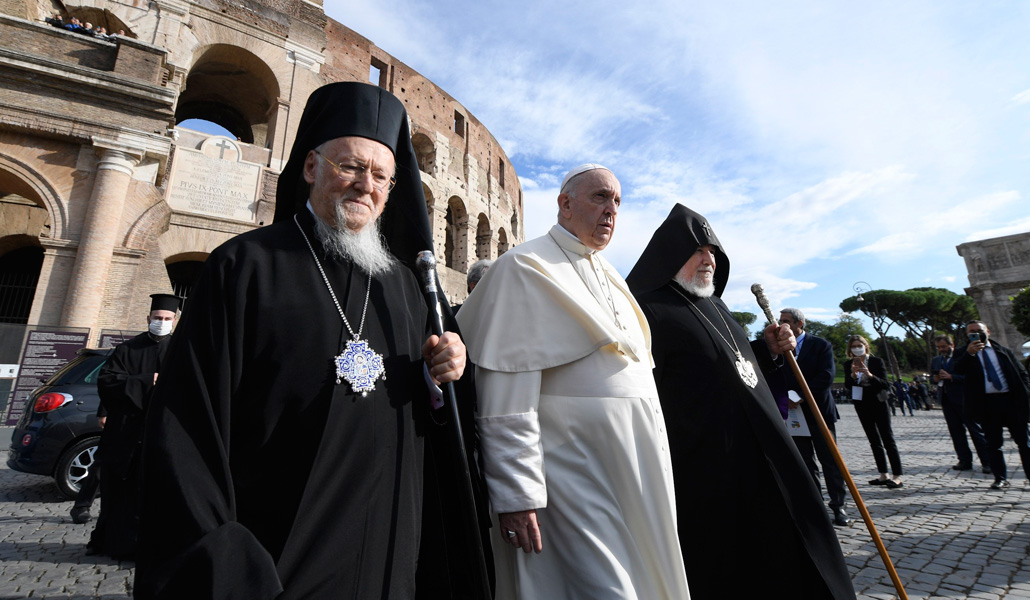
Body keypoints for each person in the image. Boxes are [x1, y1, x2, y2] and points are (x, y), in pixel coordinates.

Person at [135, 82, 489, 600]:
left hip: (387, 547)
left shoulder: (406, 288)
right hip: (276, 554)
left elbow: (427, 421)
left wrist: (443, 378)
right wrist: (227, 565)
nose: (365, 186)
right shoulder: (243, 267)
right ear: (310, 168)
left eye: (381, 176)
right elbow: (189, 428)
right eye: (350, 167)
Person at [457, 165, 690, 599]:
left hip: (636, 467)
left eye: (617, 202)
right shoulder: (524, 267)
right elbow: (506, 395)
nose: (611, 210)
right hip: (569, 471)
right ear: (565, 203)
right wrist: (516, 492)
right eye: (600, 197)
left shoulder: (613, 276)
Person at [627, 204, 856, 600]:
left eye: (714, 251)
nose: (709, 259)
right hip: (703, 468)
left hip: (760, 456)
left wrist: (766, 350)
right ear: (671, 254)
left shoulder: (716, 305)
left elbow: (735, 368)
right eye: (699, 250)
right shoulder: (647, 309)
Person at [89, 293, 180, 558]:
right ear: (148, 318)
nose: (161, 322)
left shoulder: (180, 350)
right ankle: (111, 542)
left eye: (166, 318)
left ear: (175, 320)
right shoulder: (127, 349)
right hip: (125, 432)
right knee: (117, 491)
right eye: (157, 318)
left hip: (162, 432)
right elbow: (106, 382)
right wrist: (144, 381)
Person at [779, 307, 850, 528]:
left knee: (830, 461)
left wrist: (800, 395)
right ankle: (815, 506)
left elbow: (826, 376)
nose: (782, 325)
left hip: (819, 411)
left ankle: (838, 506)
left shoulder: (820, 345)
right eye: (780, 321)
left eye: (787, 321)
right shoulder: (779, 349)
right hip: (794, 414)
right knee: (805, 462)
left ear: (800, 324)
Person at [953, 321, 1030, 490]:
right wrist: (969, 354)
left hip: (1011, 401)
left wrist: (1025, 394)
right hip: (986, 404)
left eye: (979, 331)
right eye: (971, 332)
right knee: (993, 444)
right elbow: (957, 370)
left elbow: (1021, 374)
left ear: (987, 331)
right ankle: (1000, 477)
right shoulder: (962, 353)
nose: (976, 334)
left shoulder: (1004, 351)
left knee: (1025, 443)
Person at [843, 335, 904, 489]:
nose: (857, 348)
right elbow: (848, 385)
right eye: (853, 346)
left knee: (887, 438)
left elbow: (884, 384)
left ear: (865, 346)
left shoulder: (877, 362)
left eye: (859, 345)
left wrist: (869, 375)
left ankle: (897, 475)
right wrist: (852, 375)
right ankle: (883, 473)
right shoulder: (848, 364)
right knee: (873, 440)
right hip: (862, 404)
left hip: (879, 402)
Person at [932, 334, 989, 472]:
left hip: (965, 399)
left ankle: (987, 462)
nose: (942, 350)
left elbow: (972, 377)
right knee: (956, 433)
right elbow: (933, 379)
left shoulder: (963, 357)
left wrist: (952, 377)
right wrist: (937, 378)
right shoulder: (936, 360)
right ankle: (964, 460)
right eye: (939, 347)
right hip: (947, 400)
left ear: (952, 345)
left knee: (976, 431)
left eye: (944, 346)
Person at [69, 405, 106, 524]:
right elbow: (108, 385)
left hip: (151, 415)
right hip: (124, 414)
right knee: (103, 463)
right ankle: (81, 506)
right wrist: (104, 412)